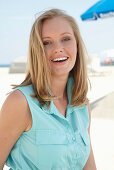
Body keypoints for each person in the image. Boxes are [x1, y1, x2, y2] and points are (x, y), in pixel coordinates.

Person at [0, 8, 97, 170]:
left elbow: (89, 166)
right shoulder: (20, 102)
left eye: (66, 39)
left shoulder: (82, 105)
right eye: (47, 42)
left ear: (77, 45)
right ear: (37, 50)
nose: (58, 48)